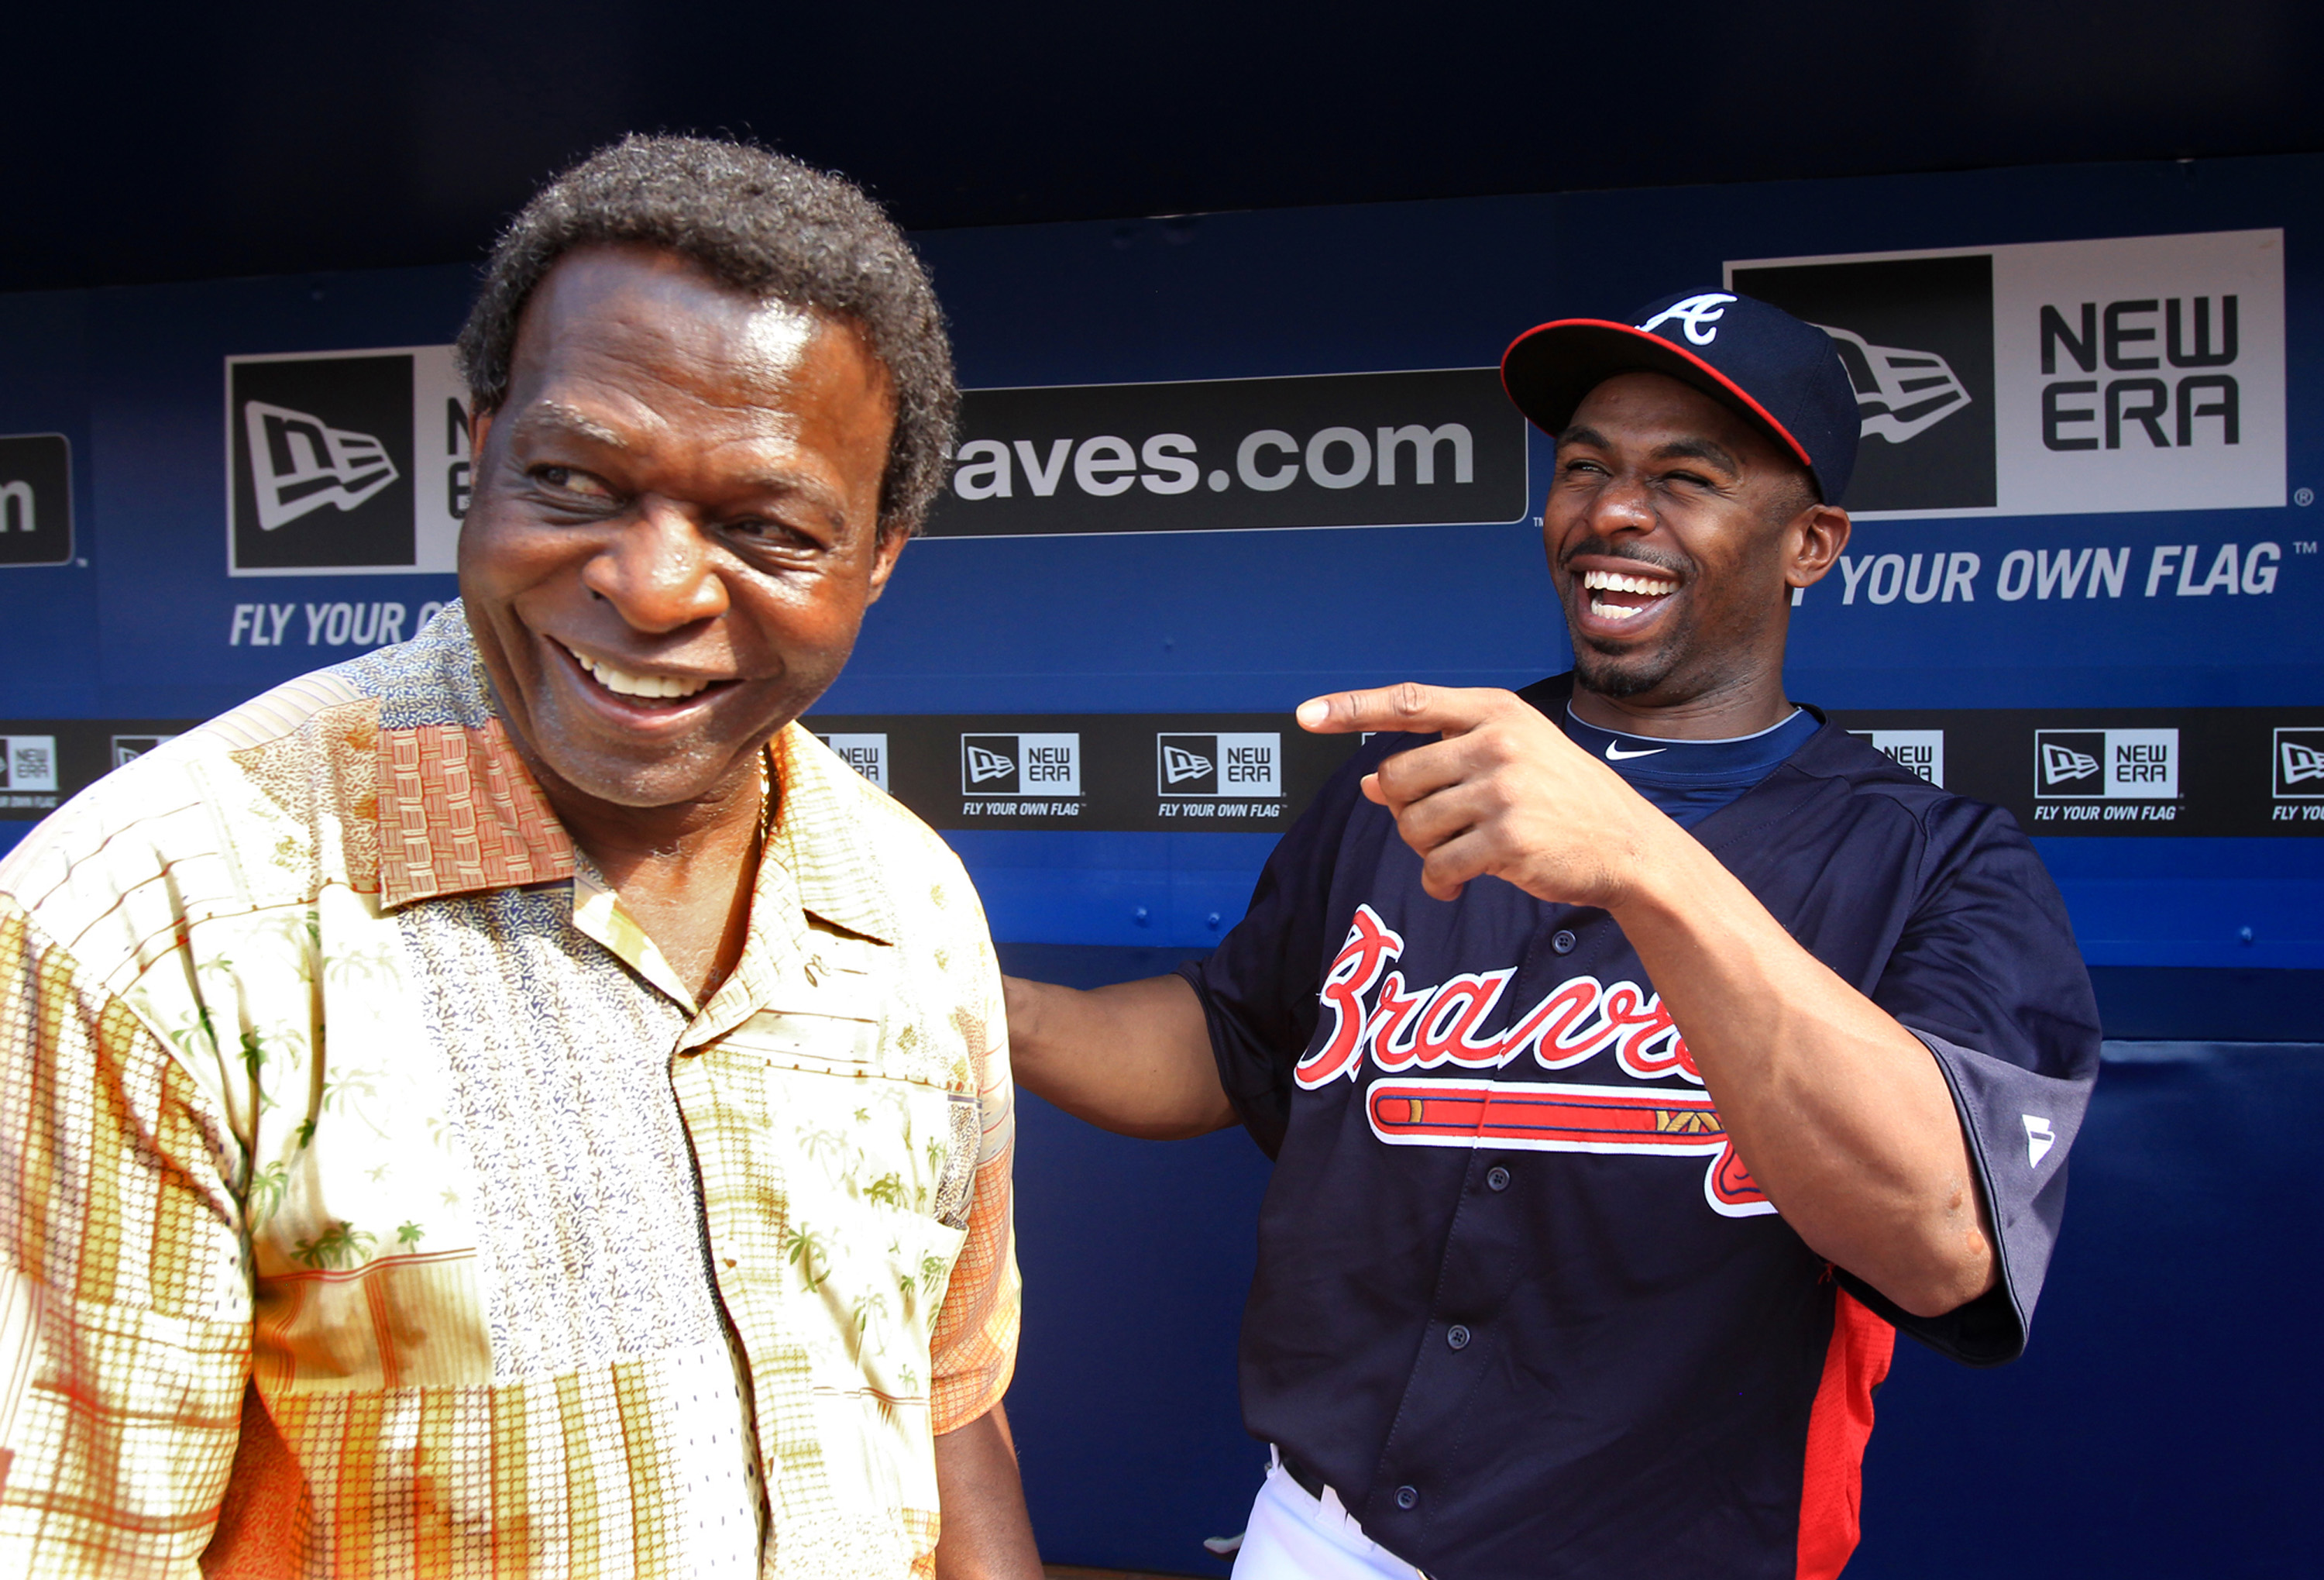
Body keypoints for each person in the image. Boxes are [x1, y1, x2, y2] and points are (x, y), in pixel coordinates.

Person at [0, 136, 1040, 1578]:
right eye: (576, 482)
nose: (654, 584)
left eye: (766, 528)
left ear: (877, 555)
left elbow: (946, 1398)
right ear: (479, 454)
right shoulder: (155, 924)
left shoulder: (908, 896)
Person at [1007, 290, 2100, 1580]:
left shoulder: (1939, 861)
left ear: (1811, 543)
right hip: (1322, 1531)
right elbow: (1230, 1039)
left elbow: (1941, 1248)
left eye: (1687, 477)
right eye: (1587, 467)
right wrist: (976, 1001)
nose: (1616, 511)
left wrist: (1643, 860)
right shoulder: (1417, 777)